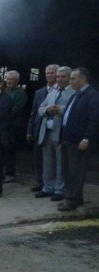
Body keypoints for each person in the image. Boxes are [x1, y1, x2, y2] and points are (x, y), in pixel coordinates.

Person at [58, 68, 98, 212]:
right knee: (68, 171)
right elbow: (67, 118)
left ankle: (72, 200)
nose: (70, 82)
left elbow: (94, 120)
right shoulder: (76, 95)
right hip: (68, 139)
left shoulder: (92, 96)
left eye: (73, 79)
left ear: (83, 79)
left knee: (76, 172)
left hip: (79, 141)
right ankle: (76, 198)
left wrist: (87, 138)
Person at [35, 66, 73, 201]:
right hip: (46, 131)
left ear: (69, 78)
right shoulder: (52, 92)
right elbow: (40, 108)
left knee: (60, 162)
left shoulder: (73, 92)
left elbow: (74, 110)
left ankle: (59, 189)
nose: (59, 79)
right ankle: (47, 187)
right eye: (58, 77)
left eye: (63, 77)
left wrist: (60, 110)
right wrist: (47, 110)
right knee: (47, 162)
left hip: (61, 133)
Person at [27, 64, 59, 192]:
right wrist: (30, 130)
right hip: (39, 129)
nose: (50, 75)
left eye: (52, 73)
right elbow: (34, 112)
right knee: (39, 158)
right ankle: (41, 182)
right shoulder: (39, 92)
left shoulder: (62, 92)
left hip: (54, 129)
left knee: (54, 159)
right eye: (48, 73)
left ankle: (55, 185)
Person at [3, 70, 28, 183]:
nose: (8, 81)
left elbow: (15, 109)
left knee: (9, 150)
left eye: (11, 79)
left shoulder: (20, 93)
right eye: (7, 78)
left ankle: (9, 173)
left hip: (12, 126)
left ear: (17, 80)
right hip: (1, 125)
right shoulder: (3, 91)